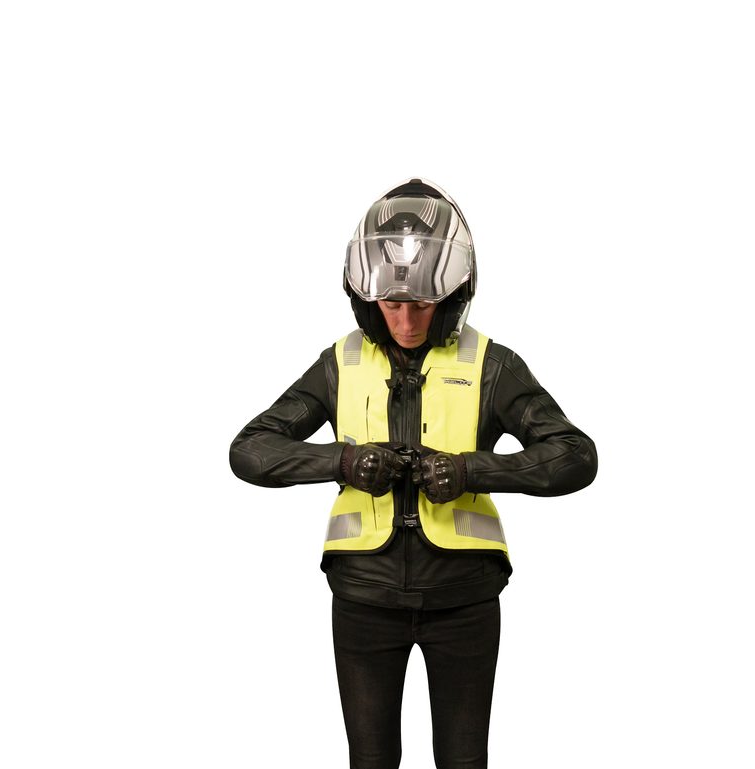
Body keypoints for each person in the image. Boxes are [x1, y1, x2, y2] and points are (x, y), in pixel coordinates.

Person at [229, 178, 597, 769]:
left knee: (463, 761)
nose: (405, 321)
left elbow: (575, 456)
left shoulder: (491, 364)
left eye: (421, 306)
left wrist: (470, 471)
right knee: (371, 760)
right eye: (391, 305)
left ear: (452, 295)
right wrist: (342, 461)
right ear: (365, 298)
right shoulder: (340, 363)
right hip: (363, 598)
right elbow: (250, 450)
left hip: (465, 598)